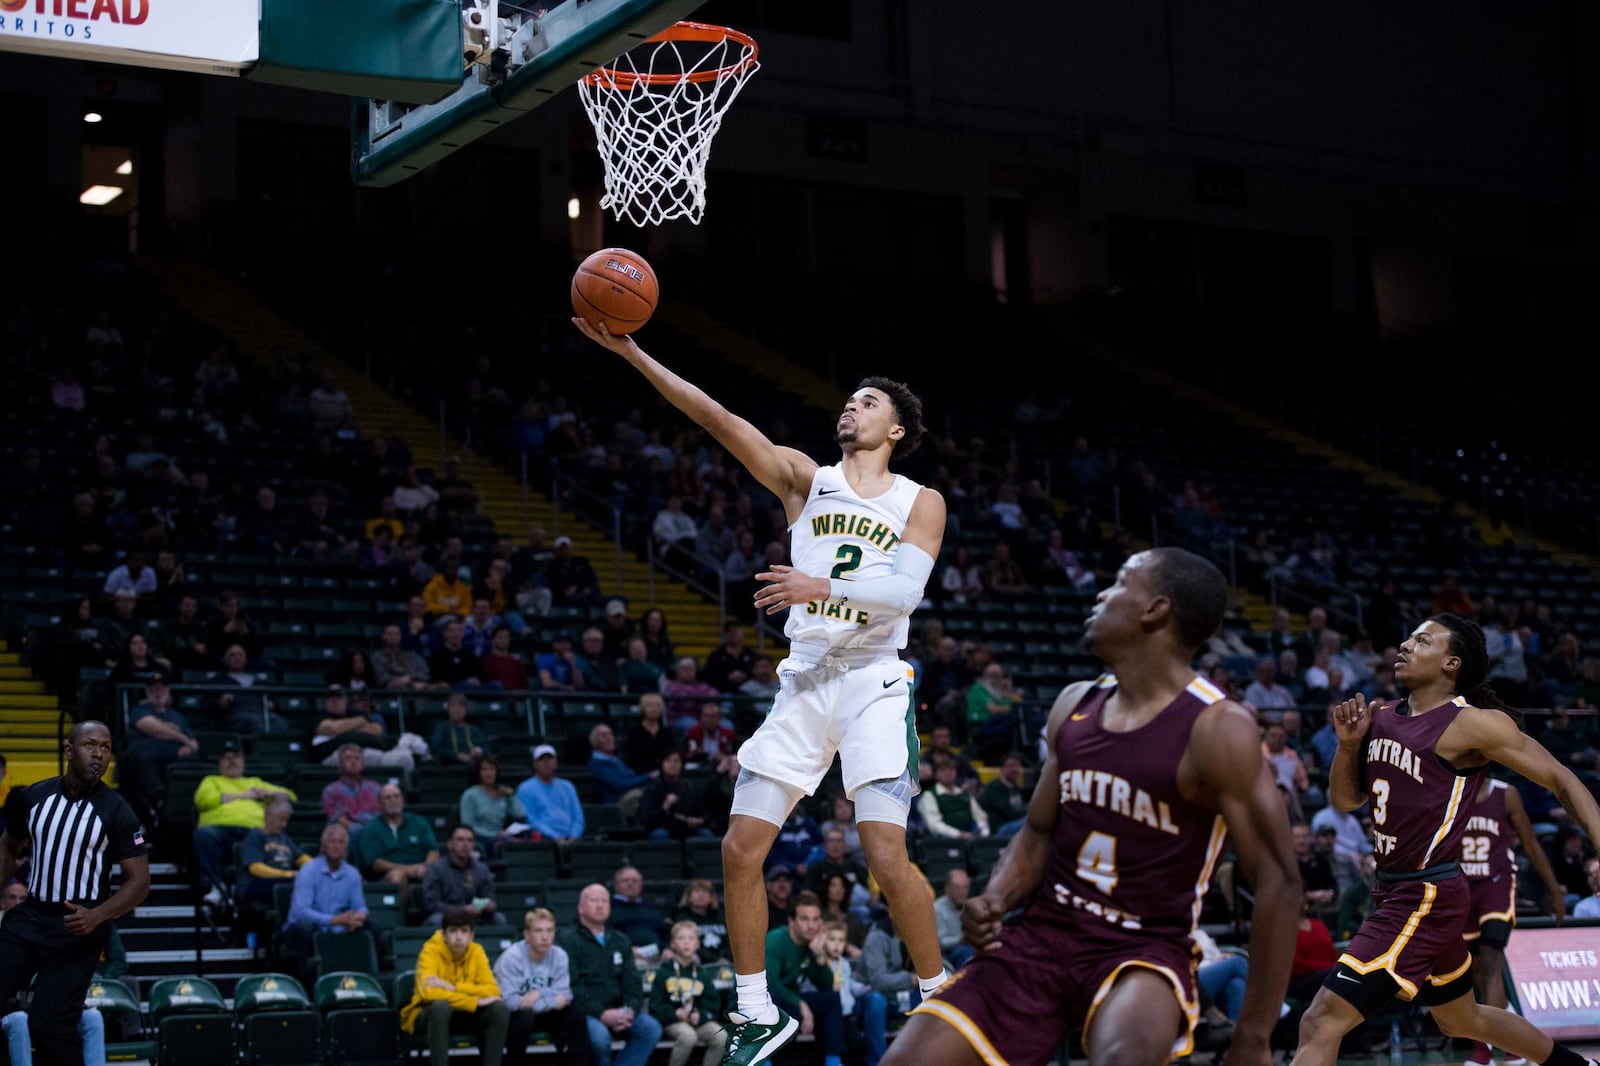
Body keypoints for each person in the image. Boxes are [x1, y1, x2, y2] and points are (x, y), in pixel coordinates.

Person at [576, 320, 954, 1064]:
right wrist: (630, 352)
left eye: (867, 402)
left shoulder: (920, 499)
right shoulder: (805, 480)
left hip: (875, 681)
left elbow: (905, 592)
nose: (851, 407)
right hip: (806, 680)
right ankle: (757, 1012)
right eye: (848, 400)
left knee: (883, 853)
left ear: (896, 427)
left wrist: (818, 583)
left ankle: (939, 989)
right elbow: (714, 415)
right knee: (740, 847)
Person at [882, 547, 1302, 1066]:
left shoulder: (1218, 727)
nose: (1101, 594)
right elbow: (1036, 833)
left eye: (1121, 582)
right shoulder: (1073, 704)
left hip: (1143, 950)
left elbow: (1280, 880)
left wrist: (1254, 1036)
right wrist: (995, 897)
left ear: (1156, 610)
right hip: (1043, 933)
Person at [1285, 614, 1600, 1066]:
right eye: (1410, 637)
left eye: (1422, 640)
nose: (1406, 644)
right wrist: (1349, 746)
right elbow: (1344, 801)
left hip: (1424, 893)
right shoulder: (1380, 716)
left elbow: (1561, 778)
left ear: (1451, 663)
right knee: (1462, 1019)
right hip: (1399, 890)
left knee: (1320, 1021)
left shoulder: (1471, 725)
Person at [0, 722, 150, 1066]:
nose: (98, 753)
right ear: (69, 751)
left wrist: (98, 915)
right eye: (90, 745)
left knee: (50, 1025)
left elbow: (139, 882)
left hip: (77, 926)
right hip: (30, 916)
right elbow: (8, 847)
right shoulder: (33, 797)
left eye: (106, 747)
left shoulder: (118, 811)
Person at [1458, 776, 1569, 1066]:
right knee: (1476, 967)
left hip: (1497, 882)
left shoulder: (1506, 794)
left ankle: (1483, 1050)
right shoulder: (1448, 790)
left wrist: (1554, 888)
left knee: (1493, 957)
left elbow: (1530, 843)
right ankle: (1512, 1043)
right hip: (1461, 887)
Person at [558, 883, 664, 1066]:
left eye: (604, 901)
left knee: (651, 1029)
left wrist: (630, 1010)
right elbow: (571, 986)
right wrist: (602, 1013)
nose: (600, 905)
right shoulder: (567, 939)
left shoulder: (620, 940)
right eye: (594, 900)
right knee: (599, 1039)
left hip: (620, 1011)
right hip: (587, 1012)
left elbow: (633, 983)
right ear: (581, 908)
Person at [191, 741, 296, 911]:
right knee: (203, 834)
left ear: (243, 761)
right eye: (226, 758)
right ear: (220, 763)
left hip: (253, 831)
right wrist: (245, 795)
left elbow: (290, 796)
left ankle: (241, 889)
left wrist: (269, 793)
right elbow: (204, 801)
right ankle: (218, 887)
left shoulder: (255, 782)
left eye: (236, 757)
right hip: (219, 830)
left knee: (263, 837)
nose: (232, 761)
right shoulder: (211, 781)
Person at [399, 906, 512, 1066]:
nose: (459, 937)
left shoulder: (477, 951)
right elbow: (429, 994)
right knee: (440, 1007)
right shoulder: (430, 951)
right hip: (427, 1016)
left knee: (499, 1008)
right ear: (444, 935)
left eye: (464, 931)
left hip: (464, 1015)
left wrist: (452, 987)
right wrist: (473, 1001)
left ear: (471, 935)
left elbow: (492, 990)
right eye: (453, 931)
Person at [494, 907, 592, 1066]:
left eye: (549, 930)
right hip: (516, 1016)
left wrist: (539, 993)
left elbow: (565, 995)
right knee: (524, 1019)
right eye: (538, 931)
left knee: (576, 1014)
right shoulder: (511, 958)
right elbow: (510, 1002)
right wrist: (550, 998)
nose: (545, 937)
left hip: (545, 1011)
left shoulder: (559, 955)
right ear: (527, 934)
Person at [282, 822, 370, 984]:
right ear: (323, 846)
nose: (336, 846)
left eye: (341, 842)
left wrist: (360, 916)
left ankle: (364, 982)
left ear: (346, 847)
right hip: (305, 928)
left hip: (340, 925)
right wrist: (335, 920)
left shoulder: (352, 873)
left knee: (370, 927)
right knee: (304, 928)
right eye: (332, 842)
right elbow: (300, 912)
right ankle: (309, 985)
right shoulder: (308, 871)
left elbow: (360, 906)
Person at [648, 921, 729, 1066]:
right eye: (681, 938)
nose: (686, 943)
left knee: (721, 1036)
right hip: (672, 1021)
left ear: (697, 944)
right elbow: (655, 1006)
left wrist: (701, 1016)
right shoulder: (664, 972)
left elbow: (712, 1004)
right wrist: (675, 1014)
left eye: (691, 938)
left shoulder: (701, 974)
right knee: (688, 1036)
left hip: (697, 1022)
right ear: (672, 944)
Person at [819, 917, 887, 1066]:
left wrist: (864, 988)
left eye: (841, 940)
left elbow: (850, 984)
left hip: (847, 1014)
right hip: (829, 1016)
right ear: (823, 940)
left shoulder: (844, 964)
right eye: (832, 940)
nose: (836, 944)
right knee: (833, 1044)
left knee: (856, 1044)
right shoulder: (820, 962)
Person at [356, 783, 441, 886]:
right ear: (379, 803)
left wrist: (425, 867)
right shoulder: (371, 829)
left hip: (420, 870)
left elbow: (433, 851)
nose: (393, 800)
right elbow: (376, 864)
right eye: (387, 797)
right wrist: (407, 869)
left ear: (402, 800)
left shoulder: (419, 822)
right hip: (387, 875)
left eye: (397, 796)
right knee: (398, 875)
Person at [423, 825, 505, 926]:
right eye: (460, 840)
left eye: (469, 840)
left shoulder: (481, 869)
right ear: (450, 844)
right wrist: (461, 910)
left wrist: (489, 905)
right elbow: (431, 904)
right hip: (448, 917)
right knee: (436, 920)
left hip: (474, 917)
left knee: (498, 919)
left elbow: (489, 896)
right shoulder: (436, 869)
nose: (465, 844)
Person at [236, 797, 309, 909]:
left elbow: (301, 858)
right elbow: (255, 868)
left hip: (285, 879)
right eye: (281, 820)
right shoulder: (255, 836)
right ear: (269, 817)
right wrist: (286, 874)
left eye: (286, 820)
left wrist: (317, 869)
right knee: (294, 884)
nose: (284, 824)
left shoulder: (285, 839)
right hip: (257, 882)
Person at [514, 745, 585, 847]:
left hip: (572, 840)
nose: (546, 763)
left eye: (550, 759)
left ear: (556, 763)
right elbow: (531, 819)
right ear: (534, 764)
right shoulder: (525, 788)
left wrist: (574, 836)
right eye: (542, 760)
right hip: (544, 842)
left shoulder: (568, 786)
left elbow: (578, 817)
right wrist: (555, 837)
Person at [459, 755, 525, 850]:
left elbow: (520, 814)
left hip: (502, 838)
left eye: (492, 769)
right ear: (478, 773)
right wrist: (495, 834)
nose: (488, 773)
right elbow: (468, 827)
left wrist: (511, 795)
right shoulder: (470, 795)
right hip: (480, 840)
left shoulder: (502, 793)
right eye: (484, 769)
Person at [320, 743, 383, 830]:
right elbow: (336, 818)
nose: (354, 762)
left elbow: (382, 814)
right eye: (348, 758)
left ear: (363, 764)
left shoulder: (376, 788)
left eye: (357, 758)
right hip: (347, 831)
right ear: (341, 764)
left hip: (375, 830)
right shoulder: (330, 790)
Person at [931, 869, 975, 971]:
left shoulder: (971, 906)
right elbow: (939, 943)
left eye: (965, 887)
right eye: (957, 887)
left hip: (969, 948)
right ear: (947, 889)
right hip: (946, 955)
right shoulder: (937, 909)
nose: (962, 892)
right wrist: (960, 939)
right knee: (964, 952)